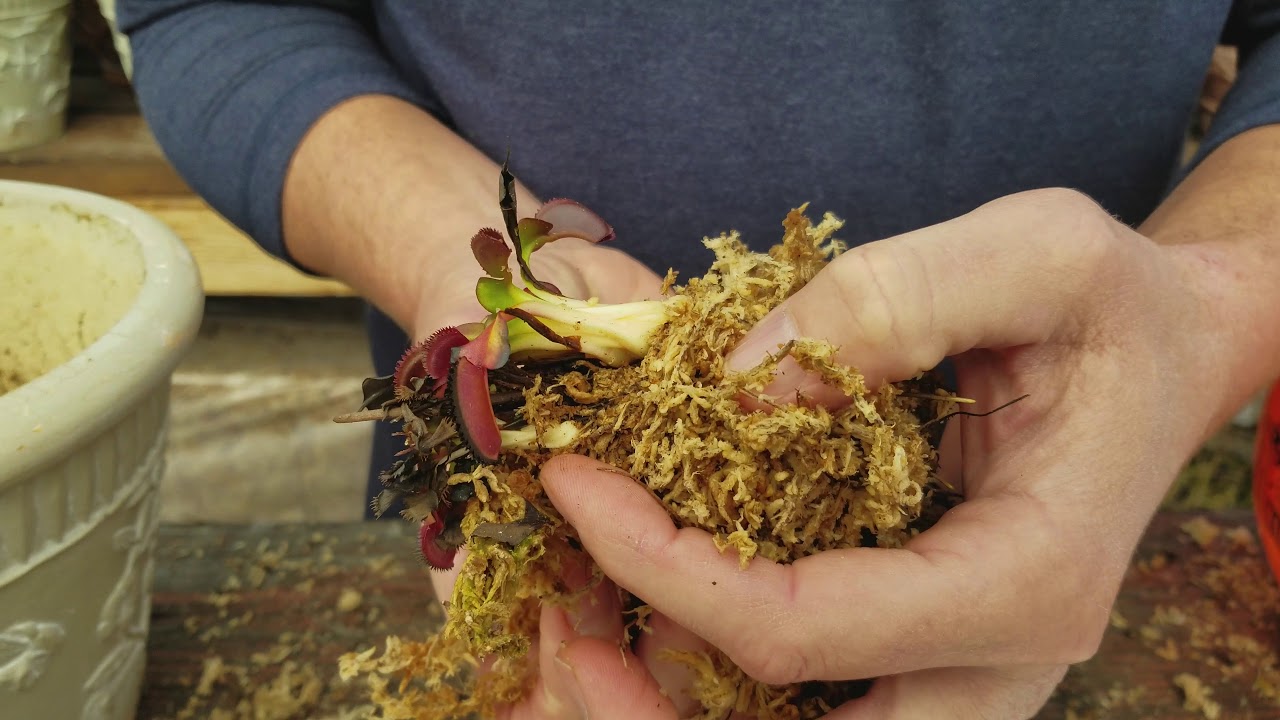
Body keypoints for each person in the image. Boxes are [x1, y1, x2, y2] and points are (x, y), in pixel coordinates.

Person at [116, 3, 1280, 717]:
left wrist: (1203, 308)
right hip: (544, 564)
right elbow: (208, 8)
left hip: (1044, 535)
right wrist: (453, 262)